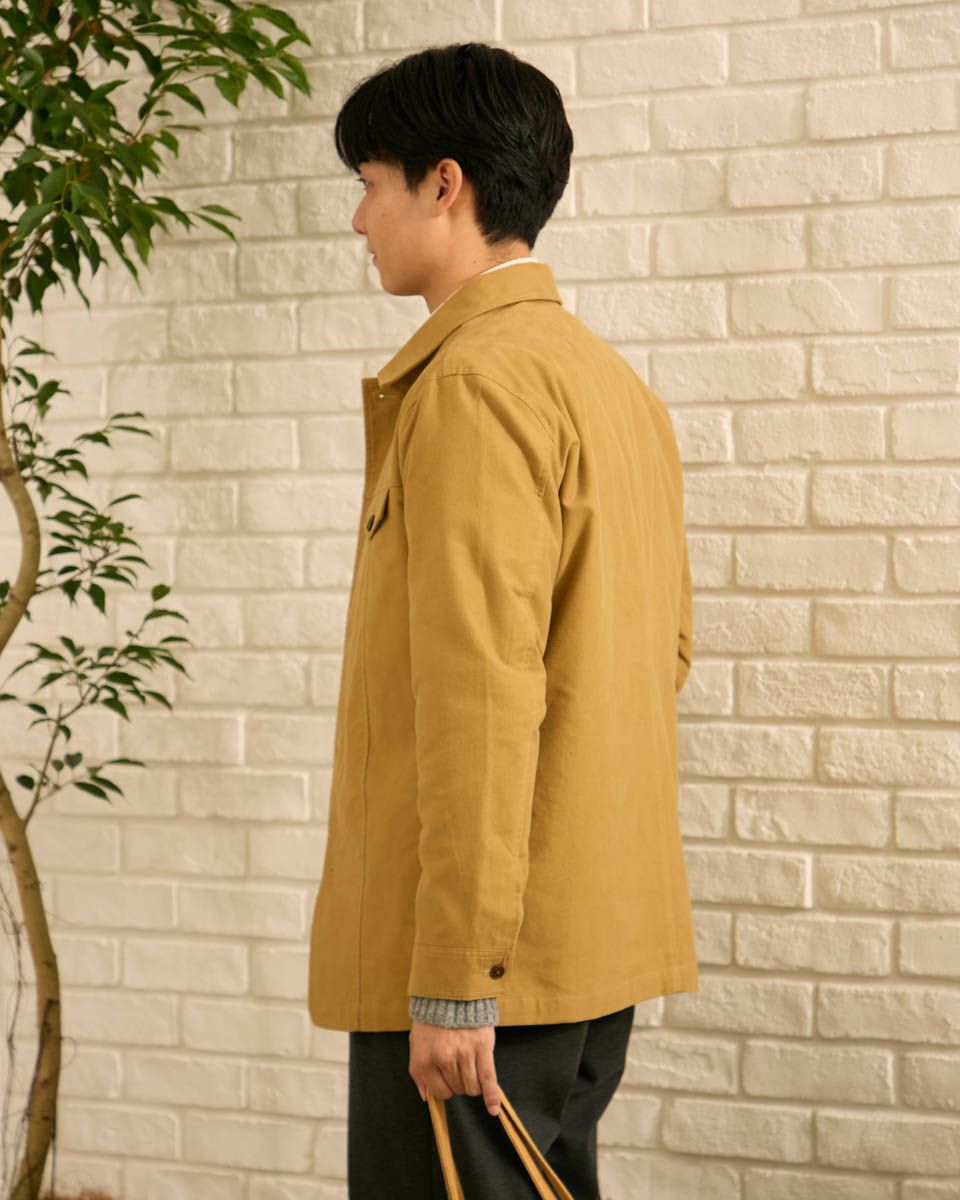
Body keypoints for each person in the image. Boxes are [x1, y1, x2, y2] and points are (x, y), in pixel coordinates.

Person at [307, 41, 699, 1198]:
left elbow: (481, 699)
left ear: (445, 184)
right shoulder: (614, 389)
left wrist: (452, 976)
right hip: (588, 951)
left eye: (370, 184)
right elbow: (662, 656)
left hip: (486, 980)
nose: (358, 220)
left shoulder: (474, 384)